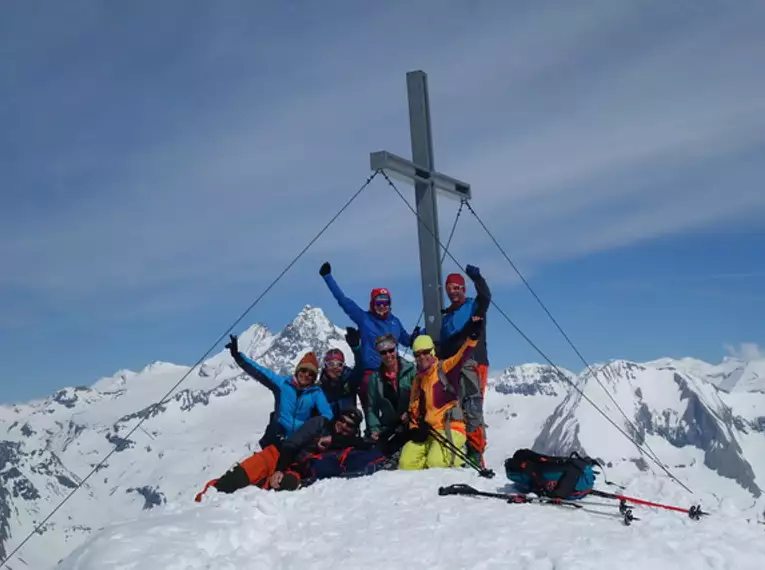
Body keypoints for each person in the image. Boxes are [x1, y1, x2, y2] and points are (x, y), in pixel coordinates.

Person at [195, 407, 384, 499]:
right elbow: (291, 444)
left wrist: (334, 440)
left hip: (296, 472)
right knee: (238, 477)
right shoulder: (319, 423)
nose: (343, 426)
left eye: (349, 426)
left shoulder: (344, 444)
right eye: (342, 421)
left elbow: (365, 445)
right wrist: (278, 469)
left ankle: (262, 486)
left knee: (287, 485)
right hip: (277, 457)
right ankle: (208, 497)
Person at [319, 261, 419, 414]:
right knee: (372, 408)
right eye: (378, 302)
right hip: (370, 373)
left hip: (393, 372)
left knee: (400, 406)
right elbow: (344, 301)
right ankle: (373, 432)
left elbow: (406, 340)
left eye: (386, 303)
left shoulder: (395, 322)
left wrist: (418, 336)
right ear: (372, 303)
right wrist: (328, 278)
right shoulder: (365, 319)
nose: (382, 306)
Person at [398, 318, 482, 471]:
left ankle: (459, 456)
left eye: (425, 352)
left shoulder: (445, 369)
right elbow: (413, 409)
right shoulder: (418, 380)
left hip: (451, 429)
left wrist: (472, 338)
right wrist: (414, 428)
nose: (422, 357)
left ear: (432, 351)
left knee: (436, 463)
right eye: (417, 354)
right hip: (429, 432)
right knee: (406, 463)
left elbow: (461, 356)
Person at [225, 334, 333, 449]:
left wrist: (316, 431)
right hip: (276, 439)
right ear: (297, 370)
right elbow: (259, 371)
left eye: (311, 374)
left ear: (313, 378)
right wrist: (238, 356)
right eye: (304, 370)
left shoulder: (316, 393)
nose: (306, 375)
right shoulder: (283, 385)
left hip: (299, 442)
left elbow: (327, 415)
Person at [438, 264, 492, 467]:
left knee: (473, 407)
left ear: (464, 289)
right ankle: (464, 450)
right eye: (450, 288)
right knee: (458, 409)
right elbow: (445, 343)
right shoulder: (447, 317)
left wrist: (477, 278)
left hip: (475, 362)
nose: (454, 292)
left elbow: (485, 296)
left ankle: (477, 455)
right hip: (454, 367)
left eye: (457, 287)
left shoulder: (473, 306)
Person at [365, 333, 417, 456]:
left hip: (410, 423)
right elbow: (372, 408)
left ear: (396, 349)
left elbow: (419, 398)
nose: (388, 355)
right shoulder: (375, 378)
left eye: (391, 350)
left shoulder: (411, 371)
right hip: (390, 426)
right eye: (383, 352)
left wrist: (411, 412)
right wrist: (375, 428)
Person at [317, 328, 363, 417]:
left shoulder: (349, 381)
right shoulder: (320, 388)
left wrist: (356, 349)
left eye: (339, 364)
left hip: (347, 425)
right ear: (325, 366)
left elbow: (360, 369)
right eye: (331, 364)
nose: (335, 368)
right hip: (327, 425)